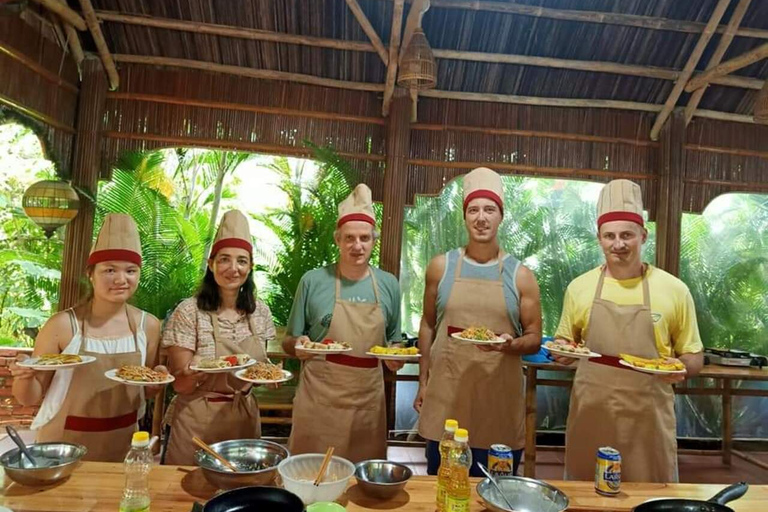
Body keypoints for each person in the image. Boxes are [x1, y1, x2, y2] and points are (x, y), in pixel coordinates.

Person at [553, 179, 703, 483]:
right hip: (590, 413)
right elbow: (565, 341)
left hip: (648, 419)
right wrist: (562, 352)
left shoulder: (674, 289)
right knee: (586, 495)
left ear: (643, 235)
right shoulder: (579, 288)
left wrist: (682, 368)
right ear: (599, 238)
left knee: (650, 494)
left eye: (627, 235)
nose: (618, 244)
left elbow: (694, 355)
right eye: (609, 236)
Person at [415, 167, 542, 477]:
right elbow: (428, 325)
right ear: (465, 216)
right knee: (442, 492)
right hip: (447, 403)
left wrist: (512, 344)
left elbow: (535, 337)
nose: (481, 217)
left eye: (489, 209)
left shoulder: (520, 276)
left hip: (499, 405)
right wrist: (422, 382)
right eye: (473, 210)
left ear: (501, 216)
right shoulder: (441, 267)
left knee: (496, 497)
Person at [10, 213, 165, 462]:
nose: (120, 279)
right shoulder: (62, 326)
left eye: (130, 270)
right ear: (90, 274)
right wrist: (24, 377)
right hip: (62, 447)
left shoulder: (148, 326)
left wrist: (155, 384)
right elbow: (28, 397)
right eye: (109, 270)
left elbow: (143, 391)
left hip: (124, 446)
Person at [283, 184, 402, 463]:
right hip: (319, 397)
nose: (357, 246)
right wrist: (297, 345)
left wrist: (394, 358)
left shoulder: (388, 285)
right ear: (338, 240)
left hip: (367, 400)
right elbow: (289, 340)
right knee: (309, 471)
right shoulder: (313, 281)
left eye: (364, 238)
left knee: (360, 481)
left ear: (374, 240)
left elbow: (394, 341)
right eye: (349, 238)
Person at [163, 210, 276, 465]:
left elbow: (255, 373)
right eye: (224, 259)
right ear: (211, 264)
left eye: (242, 261)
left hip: (245, 417)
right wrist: (196, 372)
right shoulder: (189, 311)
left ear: (250, 267)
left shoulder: (260, 312)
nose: (233, 269)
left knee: (241, 495)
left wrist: (267, 377)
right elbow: (180, 385)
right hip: (197, 421)